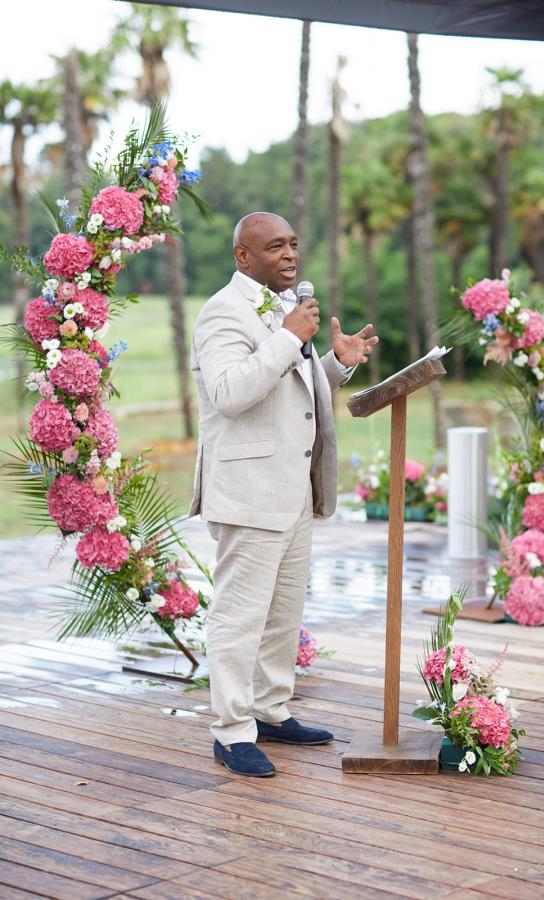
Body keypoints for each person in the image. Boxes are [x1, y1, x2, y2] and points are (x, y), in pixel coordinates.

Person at [189, 211, 378, 776]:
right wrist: (287, 336)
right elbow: (230, 392)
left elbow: (285, 387)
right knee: (240, 615)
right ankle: (231, 730)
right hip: (248, 489)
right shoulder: (222, 312)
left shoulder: (284, 310)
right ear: (242, 255)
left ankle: (271, 710)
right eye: (275, 246)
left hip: (291, 486)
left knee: (282, 610)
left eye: (294, 243)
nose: (290, 254)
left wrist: (336, 366)